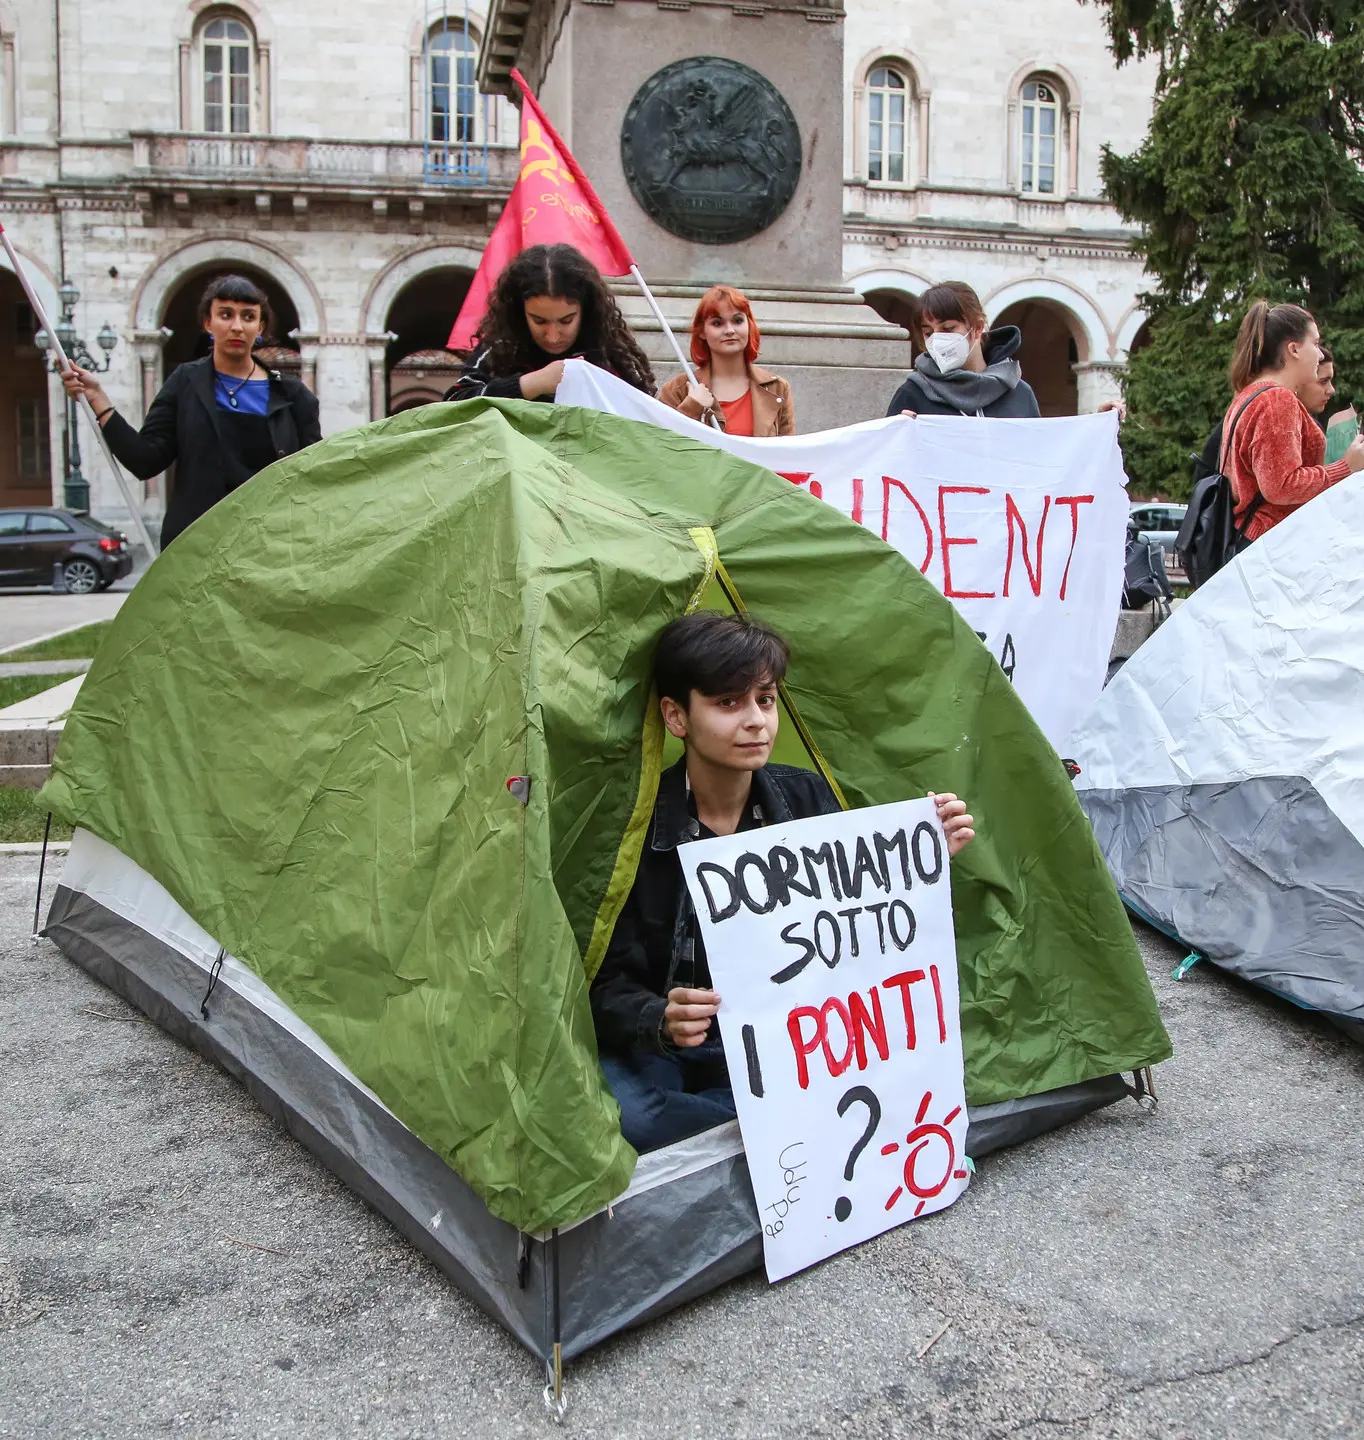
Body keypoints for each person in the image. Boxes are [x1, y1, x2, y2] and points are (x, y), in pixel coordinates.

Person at [589, 611, 976, 1154]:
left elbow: (855, 931)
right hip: (658, 1053)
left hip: (776, 1040)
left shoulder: (807, 801)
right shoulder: (635, 827)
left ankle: (756, 1130)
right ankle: (774, 1127)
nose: (756, 721)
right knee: (629, 1115)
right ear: (677, 717)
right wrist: (660, 1017)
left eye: (765, 700)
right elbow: (601, 983)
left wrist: (921, 862)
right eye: (728, 703)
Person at [61, 274, 320, 549]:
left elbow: (312, 480)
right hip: (196, 550)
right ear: (208, 322)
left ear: (260, 327)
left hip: (270, 550)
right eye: (225, 314)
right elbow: (145, 459)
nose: (237, 326)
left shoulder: (294, 397)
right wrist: (97, 398)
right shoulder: (184, 383)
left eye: (248, 317)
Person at [1216, 302, 1364, 543]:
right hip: (1272, 544)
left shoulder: (1251, 393)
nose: (1319, 353)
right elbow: (1280, 486)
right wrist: (1346, 467)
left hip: (1262, 541)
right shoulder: (1276, 399)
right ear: (1294, 349)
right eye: (1315, 343)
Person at [446, 243, 655, 403]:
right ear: (520, 312)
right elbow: (454, 403)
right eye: (539, 321)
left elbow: (641, 413)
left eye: (566, 321)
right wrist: (529, 384)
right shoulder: (502, 347)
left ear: (586, 310)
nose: (553, 336)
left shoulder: (611, 351)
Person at [885, 282, 1040, 419]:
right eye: (929, 333)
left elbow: (1036, 448)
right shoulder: (913, 394)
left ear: (978, 328)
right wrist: (898, 431)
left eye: (948, 329)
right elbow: (886, 449)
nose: (938, 340)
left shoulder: (1020, 394)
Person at [656, 285, 795, 435]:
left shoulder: (778, 388)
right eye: (717, 323)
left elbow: (788, 454)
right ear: (702, 331)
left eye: (737, 321)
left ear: (749, 325)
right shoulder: (676, 391)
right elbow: (661, 449)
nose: (730, 330)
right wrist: (690, 408)